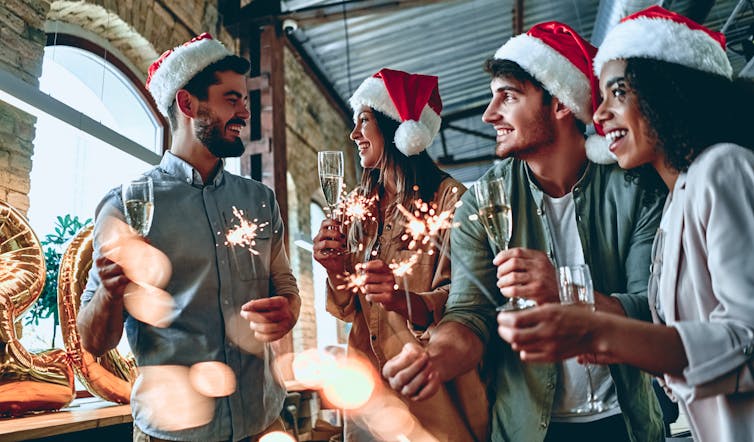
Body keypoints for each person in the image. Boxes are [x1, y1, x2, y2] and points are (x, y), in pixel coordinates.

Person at [382, 23, 665, 442]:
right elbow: (469, 314)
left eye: (508, 96)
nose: (489, 114)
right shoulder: (482, 202)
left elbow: (650, 311)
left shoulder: (634, 188)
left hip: (626, 423)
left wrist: (565, 292)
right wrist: (434, 359)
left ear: (561, 103)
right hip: (529, 428)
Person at [496, 6, 754, 441]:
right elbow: (682, 347)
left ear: (667, 92)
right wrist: (600, 338)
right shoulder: (676, 204)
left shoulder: (722, 169)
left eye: (618, 93)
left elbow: (746, 338)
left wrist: (603, 332)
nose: (598, 115)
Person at [77, 33, 300, 442]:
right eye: (232, 100)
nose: (245, 113)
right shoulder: (126, 205)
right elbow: (93, 340)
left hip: (264, 424)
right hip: (173, 434)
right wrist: (110, 293)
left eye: (245, 102)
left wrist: (289, 310)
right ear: (187, 104)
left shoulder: (261, 201)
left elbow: (286, 287)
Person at [312, 68, 488, 441]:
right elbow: (348, 307)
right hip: (366, 388)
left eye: (364, 121)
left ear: (396, 128)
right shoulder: (358, 207)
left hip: (426, 386)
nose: (354, 134)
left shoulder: (449, 199)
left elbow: (463, 304)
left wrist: (398, 299)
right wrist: (333, 269)